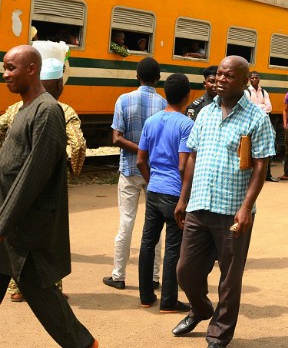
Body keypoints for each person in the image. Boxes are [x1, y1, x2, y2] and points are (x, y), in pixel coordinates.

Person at [171, 56, 275, 348]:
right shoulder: (204, 113)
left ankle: (219, 332)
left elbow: (260, 166)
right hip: (199, 205)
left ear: (244, 82)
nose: (219, 79)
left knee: (229, 278)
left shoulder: (257, 118)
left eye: (227, 76)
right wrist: (183, 198)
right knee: (185, 271)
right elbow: (192, 155)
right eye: (218, 73)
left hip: (232, 211)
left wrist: (246, 208)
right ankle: (202, 309)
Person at [0, 45, 97, 347]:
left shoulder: (46, 111)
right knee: (39, 293)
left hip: (24, 227)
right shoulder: (24, 109)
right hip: (11, 224)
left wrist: (2, 224)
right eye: (4, 68)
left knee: (42, 294)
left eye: (11, 68)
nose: (5, 75)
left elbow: (33, 175)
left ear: (32, 69)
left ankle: (84, 344)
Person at [103, 57, 166, 290]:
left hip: (129, 170)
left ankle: (118, 276)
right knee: (155, 226)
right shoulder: (163, 104)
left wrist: (139, 150)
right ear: (158, 79)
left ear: (137, 76)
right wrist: (147, 152)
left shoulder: (124, 100)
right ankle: (153, 277)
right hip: (154, 174)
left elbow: (116, 138)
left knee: (126, 222)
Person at [137, 73, 194, 313]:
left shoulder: (151, 121)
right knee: (172, 247)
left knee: (147, 243)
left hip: (154, 189)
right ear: (187, 96)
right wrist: (183, 197)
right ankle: (168, 301)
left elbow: (141, 160)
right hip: (174, 193)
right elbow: (183, 165)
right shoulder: (186, 124)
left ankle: (146, 296)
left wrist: (152, 182)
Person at [247, 71, 278, 182]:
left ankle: (267, 174)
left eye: (256, 78)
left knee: (269, 145)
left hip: (264, 123)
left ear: (259, 79)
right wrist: (262, 106)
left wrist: (257, 107)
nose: (255, 79)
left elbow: (269, 107)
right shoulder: (246, 92)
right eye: (253, 78)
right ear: (249, 79)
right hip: (251, 123)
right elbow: (248, 107)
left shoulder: (264, 92)